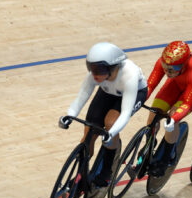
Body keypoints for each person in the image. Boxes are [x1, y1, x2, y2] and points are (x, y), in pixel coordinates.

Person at [58, 42, 147, 187]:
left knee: (110, 123)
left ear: (113, 67)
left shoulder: (129, 74)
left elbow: (125, 113)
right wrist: (69, 115)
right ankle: (81, 175)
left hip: (134, 94)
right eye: (91, 68)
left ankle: (106, 172)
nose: (94, 74)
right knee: (89, 134)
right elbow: (82, 96)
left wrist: (110, 133)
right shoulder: (96, 75)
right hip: (108, 92)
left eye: (98, 69)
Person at [145, 40, 192, 176]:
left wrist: (173, 118)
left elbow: (187, 103)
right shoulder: (166, 63)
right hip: (176, 82)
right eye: (165, 66)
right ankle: (149, 146)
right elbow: (150, 86)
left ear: (184, 64)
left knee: (173, 117)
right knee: (154, 113)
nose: (167, 71)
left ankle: (167, 156)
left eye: (172, 69)